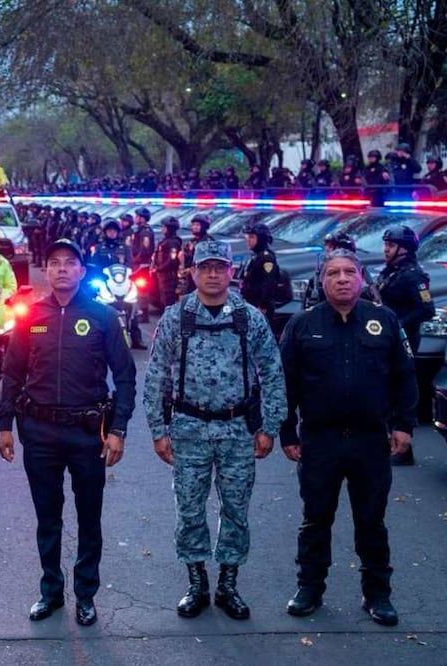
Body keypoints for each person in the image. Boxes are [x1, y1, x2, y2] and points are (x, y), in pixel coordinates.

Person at [0, 238, 135, 626]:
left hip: (87, 434)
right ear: (47, 270)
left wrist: (118, 429)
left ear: (80, 270)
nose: (60, 269)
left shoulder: (103, 317)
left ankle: (86, 594)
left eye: (69, 263)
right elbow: (11, 373)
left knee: (89, 517)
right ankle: (50, 592)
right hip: (39, 433)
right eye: (54, 262)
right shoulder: (31, 316)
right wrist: (5, 426)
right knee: (47, 517)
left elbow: (125, 376)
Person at [145, 239, 286, 620]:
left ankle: (228, 583)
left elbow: (272, 373)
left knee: (236, 509)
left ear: (230, 271)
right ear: (192, 272)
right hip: (189, 429)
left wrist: (270, 427)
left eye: (219, 267)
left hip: (237, 428)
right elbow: (156, 375)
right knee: (190, 510)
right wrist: (158, 430)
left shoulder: (248, 318)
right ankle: (196, 582)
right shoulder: (177, 317)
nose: (211, 274)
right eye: (204, 267)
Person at [279, 249, 417, 627]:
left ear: (361, 278)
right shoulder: (303, 325)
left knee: (371, 520)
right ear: (321, 281)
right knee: (315, 519)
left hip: (370, 441)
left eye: (349, 272)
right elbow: (285, 384)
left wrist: (404, 424)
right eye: (333, 273)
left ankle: (377, 594)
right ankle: (309, 588)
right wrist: (287, 431)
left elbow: (404, 377)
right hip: (319, 441)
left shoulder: (384, 321)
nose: (342, 279)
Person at [375, 226, 433, 466]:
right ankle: (389, 440)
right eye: (385, 244)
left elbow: (426, 309)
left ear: (404, 248)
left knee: (400, 387)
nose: (386, 249)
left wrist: (397, 323)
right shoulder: (391, 271)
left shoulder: (413, 276)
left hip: (404, 339)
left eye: (390, 245)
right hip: (385, 338)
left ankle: (403, 447)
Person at [239, 223, 282, 317]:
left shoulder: (266, 258)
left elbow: (270, 283)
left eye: (252, 237)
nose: (248, 240)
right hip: (250, 303)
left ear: (261, 239)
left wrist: (263, 306)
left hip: (260, 306)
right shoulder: (256, 256)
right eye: (247, 237)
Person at [178, 215, 213, 296]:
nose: (194, 227)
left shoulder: (208, 242)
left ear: (204, 226)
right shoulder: (191, 242)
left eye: (197, 225)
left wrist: (191, 269)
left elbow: (206, 261)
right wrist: (182, 265)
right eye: (193, 225)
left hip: (202, 279)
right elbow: (185, 257)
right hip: (190, 279)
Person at [153, 216, 183, 310]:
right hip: (163, 276)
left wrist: (159, 268)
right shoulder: (165, 241)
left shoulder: (173, 242)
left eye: (164, 227)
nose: (162, 229)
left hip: (169, 276)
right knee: (164, 300)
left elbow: (172, 260)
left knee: (168, 301)